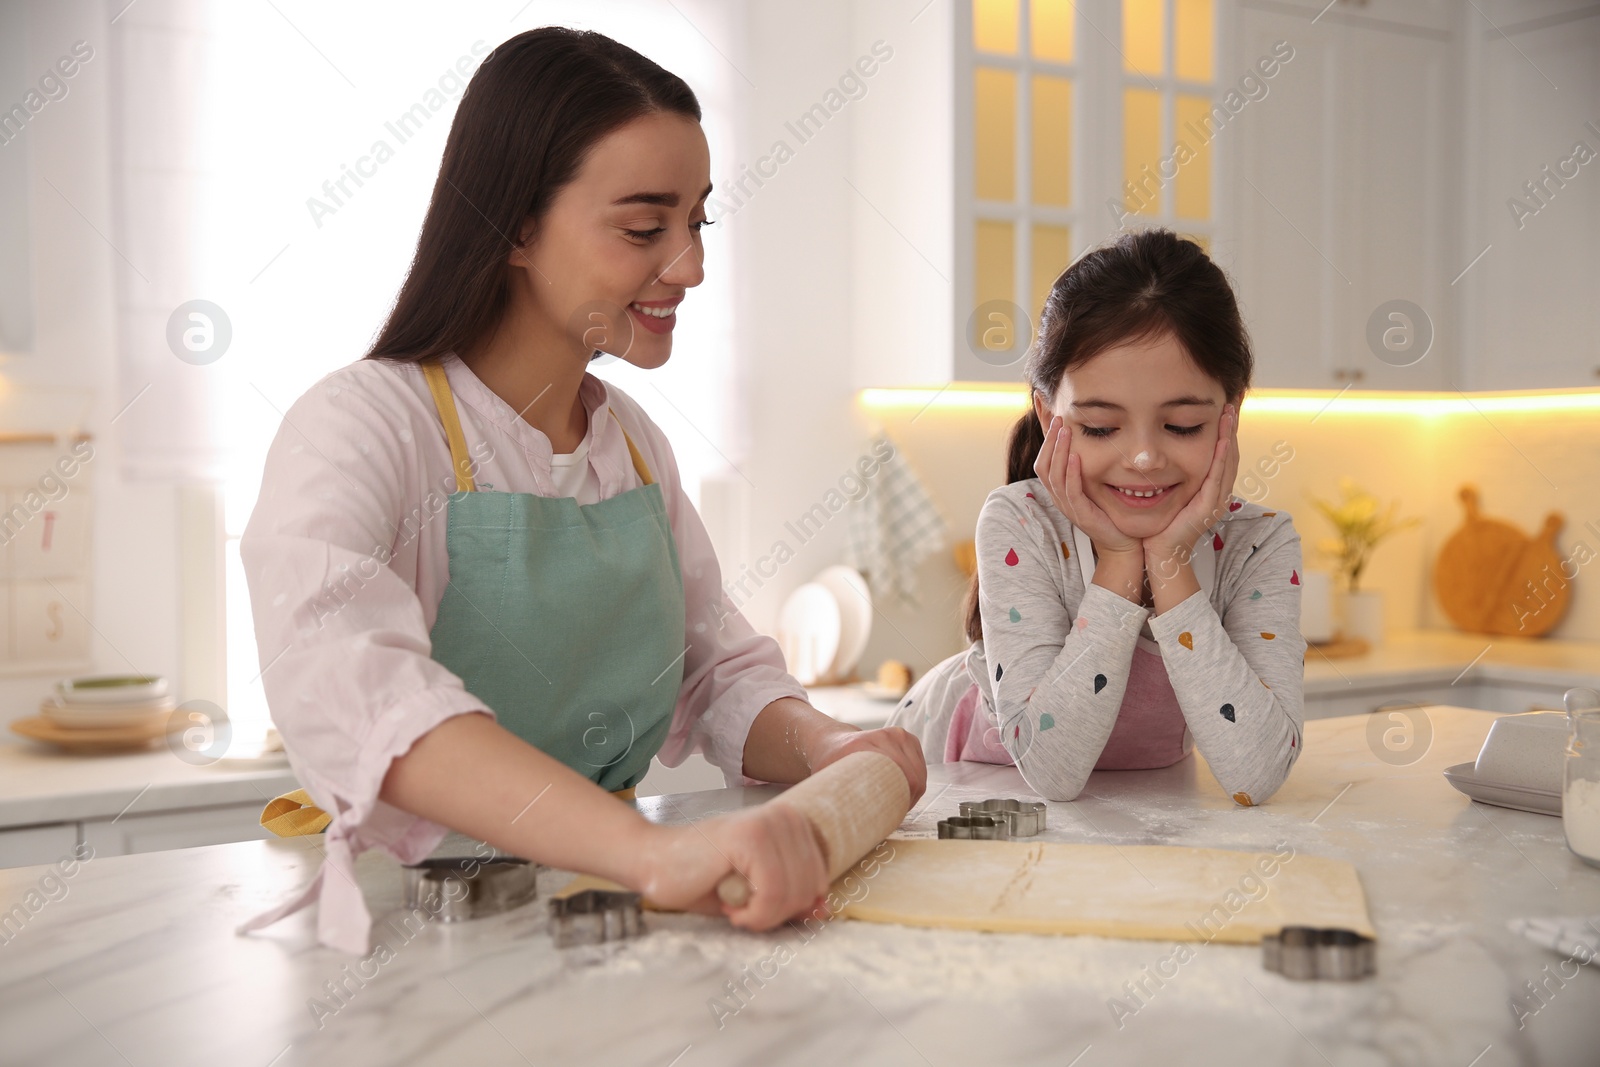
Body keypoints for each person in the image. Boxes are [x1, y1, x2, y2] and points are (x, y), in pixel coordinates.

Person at [237, 27, 924, 955]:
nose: (689, 266)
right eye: (645, 228)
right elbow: (365, 699)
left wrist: (827, 746)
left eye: (696, 222)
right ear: (515, 224)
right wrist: (646, 851)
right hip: (418, 934)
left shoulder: (633, 446)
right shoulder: (361, 425)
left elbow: (715, 670)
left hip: (603, 916)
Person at [888, 230, 1304, 806]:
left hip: (1124, 805)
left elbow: (1256, 774)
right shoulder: (1020, 522)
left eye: (1181, 425)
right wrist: (1116, 562)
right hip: (948, 775)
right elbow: (1053, 773)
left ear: (1229, 414)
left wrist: (1169, 559)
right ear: (1047, 412)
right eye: (1101, 428)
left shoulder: (1258, 544)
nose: (1142, 458)